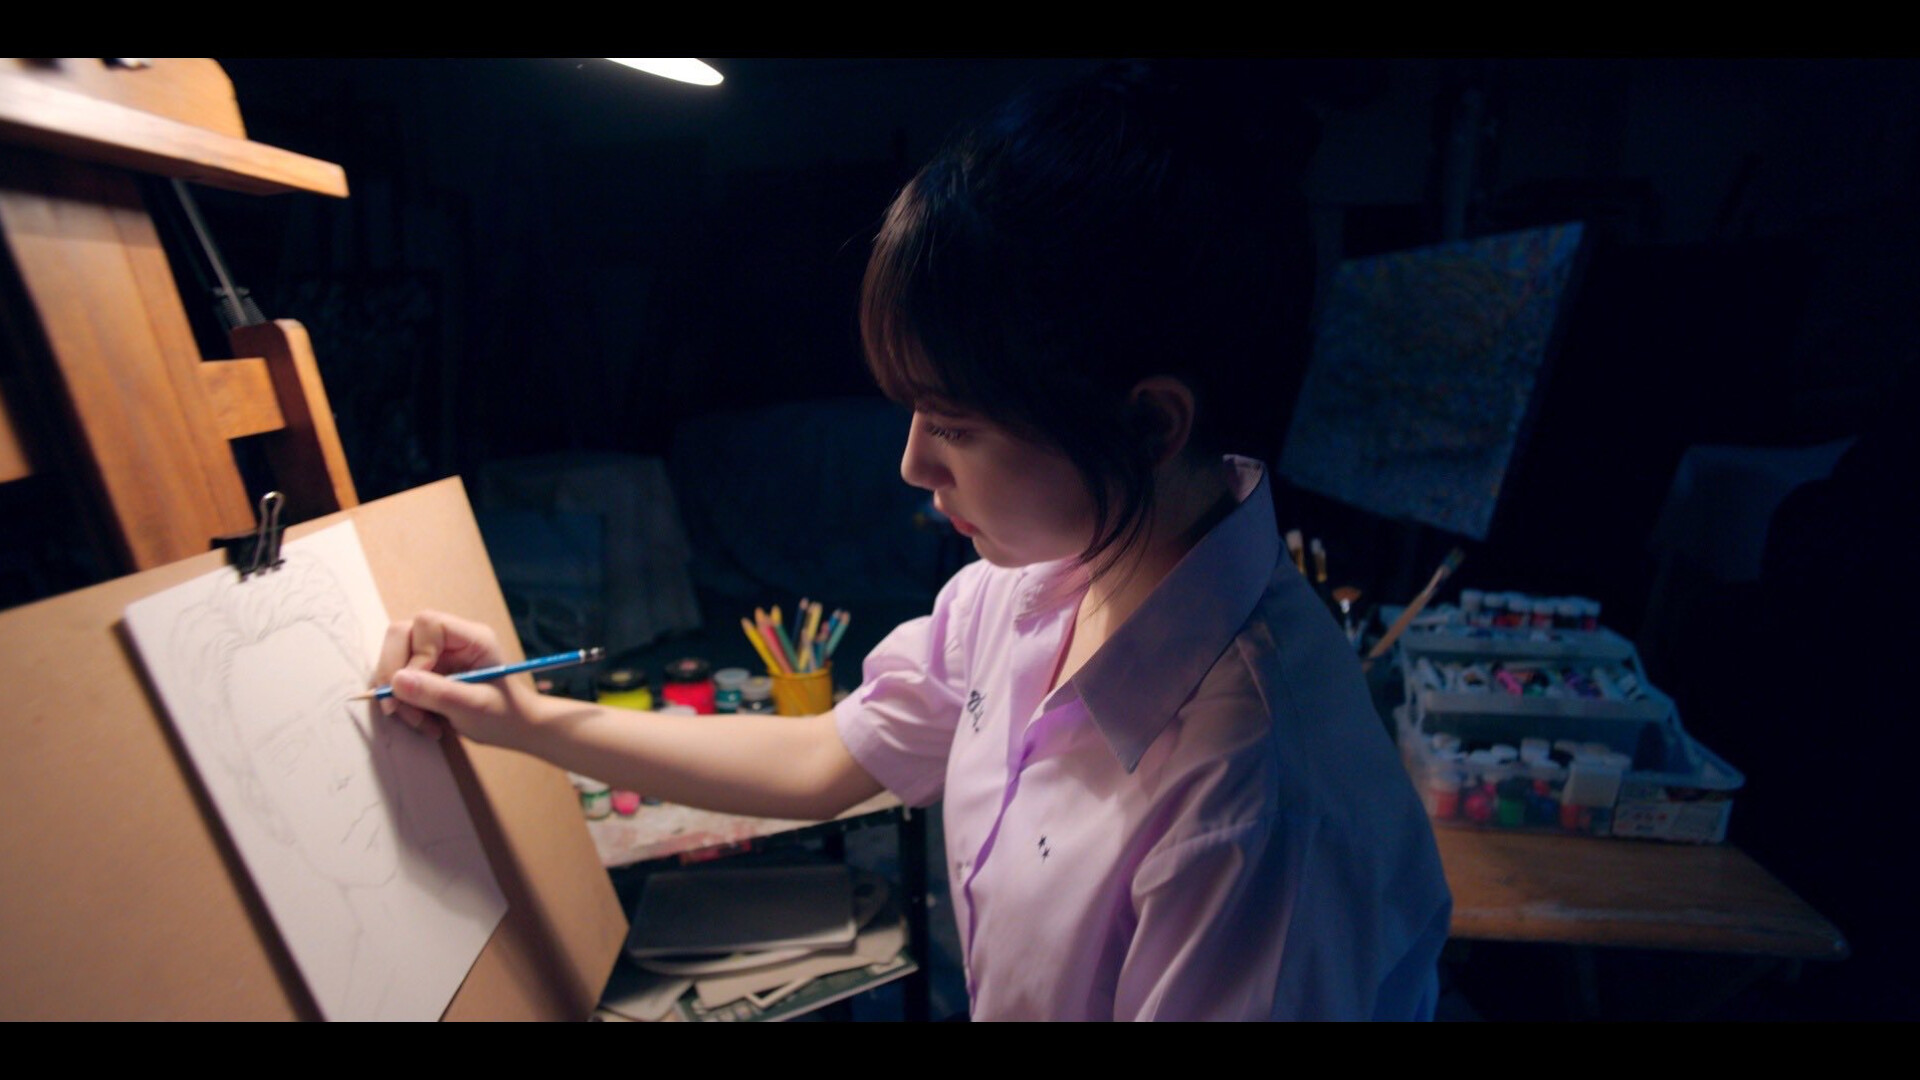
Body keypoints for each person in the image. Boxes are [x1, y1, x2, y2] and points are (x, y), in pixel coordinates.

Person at [376, 62, 1451, 1021]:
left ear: (1148, 426)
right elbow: (821, 758)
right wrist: (525, 719)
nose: (912, 465)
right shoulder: (1029, 589)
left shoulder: (1257, 805)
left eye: (955, 425)